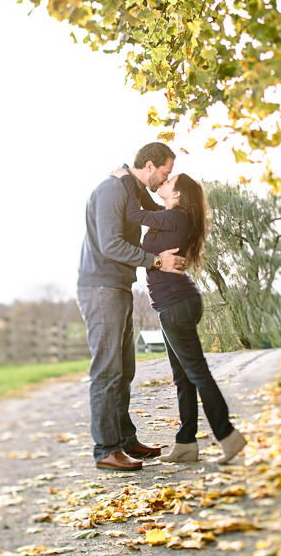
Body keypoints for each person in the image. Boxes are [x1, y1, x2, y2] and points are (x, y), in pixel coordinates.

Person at [121, 171, 247, 465]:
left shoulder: (176, 218)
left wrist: (125, 178)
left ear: (177, 195)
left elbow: (133, 212)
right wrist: (137, 179)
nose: (162, 183)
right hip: (173, 305)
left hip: (176, 305)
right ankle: (186, 443)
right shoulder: (169, 217)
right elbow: (146, 206)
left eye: (168, 182)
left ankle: (228, 435)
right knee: (183, 377)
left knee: (197, 373)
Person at [76, 142, 187, 472]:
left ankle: (125, 440)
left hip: (117, 286)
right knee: (108, 370)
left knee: (124, 369)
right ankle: (106, 449)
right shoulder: (112, 191)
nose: (164, 180)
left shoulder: (129, 188)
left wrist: (129, 178)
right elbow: (111, 244)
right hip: (101, 287)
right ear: (150, 166)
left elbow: (151, 206)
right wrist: (155, 261)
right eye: (165, 173)